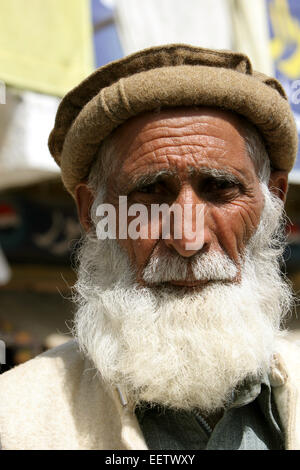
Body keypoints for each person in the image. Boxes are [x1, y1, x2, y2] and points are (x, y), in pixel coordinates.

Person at [0, 44, 299, 450]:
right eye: (151, 193)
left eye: (220, 188)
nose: (189, 240)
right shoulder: (14, 419)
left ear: (275, 202)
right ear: (93, 213)